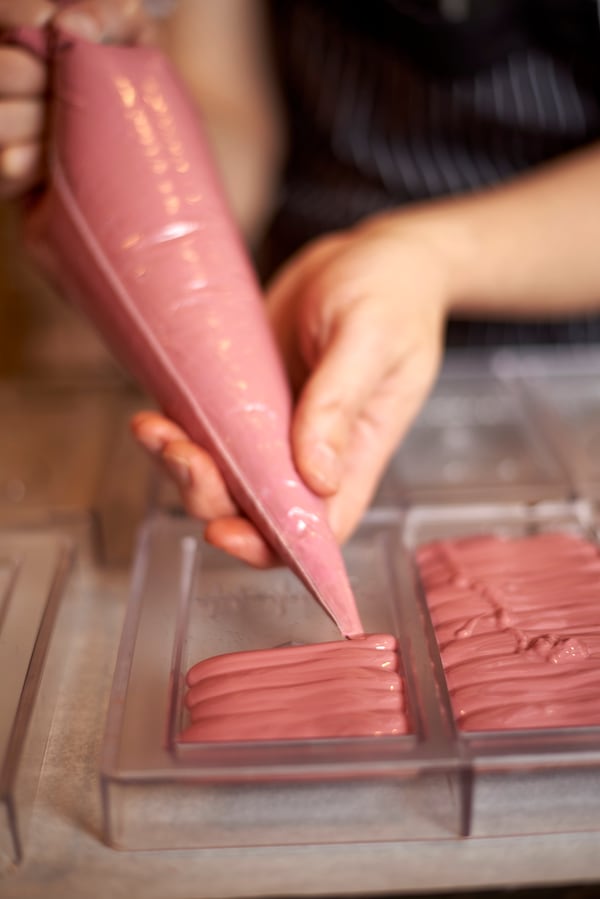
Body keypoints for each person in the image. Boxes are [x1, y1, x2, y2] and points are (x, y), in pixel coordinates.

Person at [3, 0, 600, 568]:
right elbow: (228, 120)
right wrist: (127, 138)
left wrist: (429, 259)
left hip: (575, 369)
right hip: (307, 333)